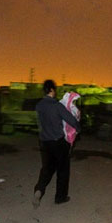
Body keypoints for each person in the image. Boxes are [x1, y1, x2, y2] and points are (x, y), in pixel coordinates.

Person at [33, 80, 81, 208]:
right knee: (63, 170)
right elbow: (71, 120)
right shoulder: (57, 105)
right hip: (58, 142)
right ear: (52, 90)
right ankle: (60, 197)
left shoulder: (39, 105)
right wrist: (78, 127)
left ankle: (39, 189)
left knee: (47, 168)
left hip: (44, 142)